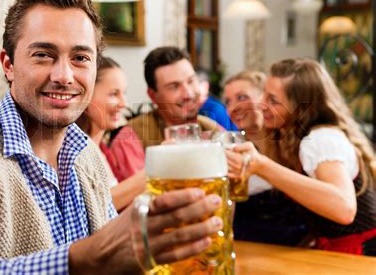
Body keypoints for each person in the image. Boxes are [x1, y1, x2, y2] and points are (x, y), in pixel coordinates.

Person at [0, 0, 224, 273]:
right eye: (44, 54)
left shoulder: (87, 156)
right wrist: (81, 259)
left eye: (81, 58)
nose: (64, 76)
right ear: (8, 64)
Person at [230, 58, 376, 255]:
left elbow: (344, 208)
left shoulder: (321, 138)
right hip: (334, 252)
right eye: (264, 94)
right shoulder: (293, 140)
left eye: (272, 100)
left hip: (363, 256)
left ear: (300, 107)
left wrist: (262, 166)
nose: (262, 105)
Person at [223, 70, 309, 246]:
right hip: (247, 246)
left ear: (264, 100)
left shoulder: (293, 144)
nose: (233, 108)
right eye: (228, 101)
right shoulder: (230, 148)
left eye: (242, 97)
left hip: (298, 248)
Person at [77, 56, 146, 211]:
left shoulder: (103, 150)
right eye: (114, 94)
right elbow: (97, 207)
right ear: (87, 94)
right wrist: (154, 170)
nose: (124, 103)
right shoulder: (75, 152)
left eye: (124, 93)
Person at [129, 46, 223, 148]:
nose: (189, 94)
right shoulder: (131, 137)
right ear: (153, 96)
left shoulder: (212, 129)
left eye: (191, 81)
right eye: (174, 86)